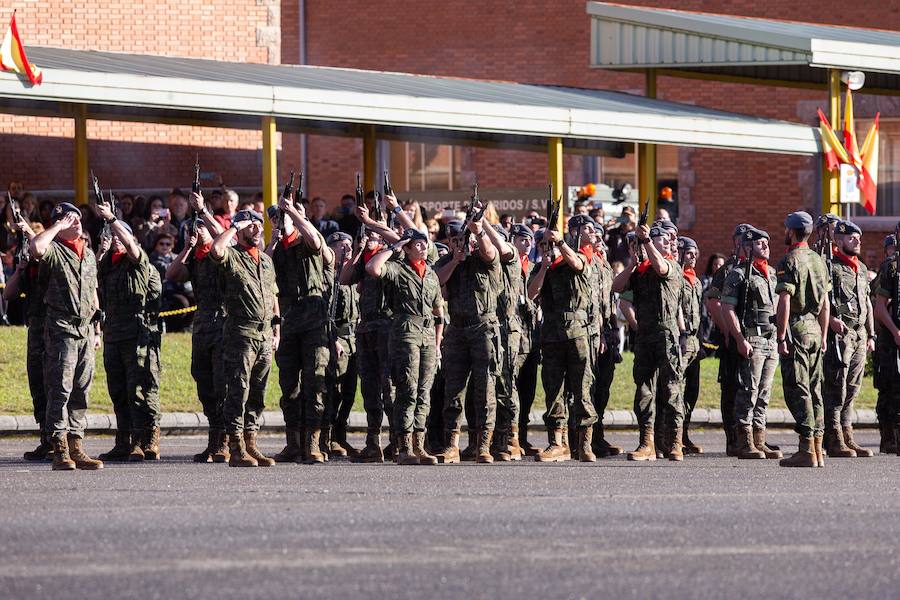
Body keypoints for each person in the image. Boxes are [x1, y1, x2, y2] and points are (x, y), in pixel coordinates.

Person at [29, 203, 104, 471]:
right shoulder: (54, 250)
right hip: (61, 328)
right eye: (70, 220)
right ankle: (59, 447)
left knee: (82, 390)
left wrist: (97, 331)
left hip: (85, 330)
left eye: (78, 219)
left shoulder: (89, 253)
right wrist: (59, 225)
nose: (77, 223)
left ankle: (76, 445)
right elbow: (36, 247)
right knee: (60, 389)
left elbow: (92, 292)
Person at [366, 228, 445, 465]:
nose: (423, 247)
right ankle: (404, 447)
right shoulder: (397, 269)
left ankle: (420, 446)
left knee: (424, 392)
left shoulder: (430, 274)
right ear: (408, 249)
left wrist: (438, 343)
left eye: (425, 244)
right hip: (406, 333)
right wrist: (395, 246)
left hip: (428, 336)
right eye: (417, 244)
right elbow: (373, 268)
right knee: (407, 390)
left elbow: (438, 311)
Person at [210, 209, 280, 467]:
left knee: (258, 392)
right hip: (241, 333)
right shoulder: (232, 255)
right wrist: (233, 226)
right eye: (251, 225)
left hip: (264, 334)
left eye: (259, 225)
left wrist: (277, 331)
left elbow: (273, 295)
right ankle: (236, 446)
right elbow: (216, 250)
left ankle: (251, 443)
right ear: (239, 230)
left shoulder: (266, 260)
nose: (257, 229)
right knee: (238, 390)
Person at [95, 203, 163, 462]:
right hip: (114, 335)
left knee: (140, 390)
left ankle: (144, 440)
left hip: (137, 336)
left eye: (119, 235)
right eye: (111, 235)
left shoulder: (137, 260)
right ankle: (123, 442)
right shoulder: (108, 264)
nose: (115, 239)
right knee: (119, 391)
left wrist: (113, 219)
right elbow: (92, 277)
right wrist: (101, 251)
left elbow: (132, 248)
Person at [527, 222, 598, 462]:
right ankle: (557, 443)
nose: (549, 248)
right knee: (554, 389)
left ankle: (585, 443)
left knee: (582, 389)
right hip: (551, 336)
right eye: (544, 245)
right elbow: (531, 293)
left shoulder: (575, 258)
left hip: (577, 334)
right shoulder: (541, 268)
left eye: (551, 244)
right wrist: (544, 268)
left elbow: (577, 264)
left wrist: (559, 241)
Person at [612, 223, 683, 462]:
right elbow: (616, 286)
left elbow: (661, 268)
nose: (667, 242)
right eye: (660, 239)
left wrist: (646, 241)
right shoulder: (640, 270)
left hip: (666, 335)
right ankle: (647, 442)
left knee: (671, 388)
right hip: (644, 336)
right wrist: (632, 264)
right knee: (644, 389)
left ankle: (675, 441)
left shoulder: (672, 264)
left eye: (665, 239)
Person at [434, 213, 501, 464]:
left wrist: (479, 231)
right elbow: (435, 284)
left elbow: (491, 253)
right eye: (454, 240)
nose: (458, 243)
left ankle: (483, 445)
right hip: (457, 330)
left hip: (483, 328)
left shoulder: (481, 258)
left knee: (485, 389)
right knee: (453, 389)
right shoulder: (444, 262)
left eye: (462, 238)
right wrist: (454, 261)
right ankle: (452, 445)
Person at [166, 192, 228, 462]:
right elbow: (172, 274)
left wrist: (203, 213)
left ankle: (225, 440)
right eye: (194, 229)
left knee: (223, 383)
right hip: (202, 327)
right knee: (204, 382)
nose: (198, 231)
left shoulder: (224, 254)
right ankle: (214, 438)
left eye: (201, 228)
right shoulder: (195, 258)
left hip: (223, 325)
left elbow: (225, 237)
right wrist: (187, 248)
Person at [274, 194, 334, 464]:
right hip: (288, 321)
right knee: (289, 385)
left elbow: (316, 241)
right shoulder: (277, 248)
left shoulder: (307, 241)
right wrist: (275, 236)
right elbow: (264, 266)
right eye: (279, 217)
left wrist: (297, 215)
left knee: (314, 383)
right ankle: (293, 443)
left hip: (313, 320)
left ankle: (313, 443)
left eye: (285, 217)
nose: (283, 220)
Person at [719, 227, 782, 460]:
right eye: (759, 243)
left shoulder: (772, 274)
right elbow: (727, 308)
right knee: (749, 390)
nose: (765, 246)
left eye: (766, 242)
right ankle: (744, 442)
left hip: (771, 339)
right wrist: (740, 338)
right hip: (752, 338)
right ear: (747, 247)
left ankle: (759, 439)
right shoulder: (738, 274)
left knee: (764, 392)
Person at [775, 211, 830, 468]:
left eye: (786, 229)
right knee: (816, 388)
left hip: (797, 328)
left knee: (798, 389)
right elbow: (826, 304)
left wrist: (781, 336)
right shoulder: (819, 261)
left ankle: (806, 448)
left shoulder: (788, 260)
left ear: (791, 231)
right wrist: (824, 334)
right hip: (816, 328)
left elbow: (785, 300)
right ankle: (818, 448)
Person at [822, 220, 874, 458]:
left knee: (853, 386)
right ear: (839, 240)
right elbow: (821, 299)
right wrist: (831, 320)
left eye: (858, 238)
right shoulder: (829, 266)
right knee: (837, 386)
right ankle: (833, 437)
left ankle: (846, 433)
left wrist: (870, 334)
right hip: (840, 334)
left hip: (859, 334)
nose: (857, 241)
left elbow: (867, 303)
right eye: (852, 238)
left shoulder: (860, 268)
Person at [3, 214, 50, 459]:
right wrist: (20, 269)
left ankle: (60, 440)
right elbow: (8, 294)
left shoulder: (55, 259)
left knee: (55, 387)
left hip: (56, 332)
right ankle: (46, 438)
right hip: (36, 333)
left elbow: (46, 252)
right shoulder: (29, 267)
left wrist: (30, 233)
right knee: (38, 387)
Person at [704, 224, 752, 456]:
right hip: (732, 339)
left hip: (754, 339)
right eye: (743, 240)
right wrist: (728, 331)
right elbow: (713, 303)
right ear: (736, 242)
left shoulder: (756, 267)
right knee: (732, 387)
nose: (747, 244)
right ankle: (733, 439)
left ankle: (752, 438)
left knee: (752, 387)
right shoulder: (727, 270)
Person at [481, 223, 525, 461]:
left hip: (507, 330)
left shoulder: (510, 257)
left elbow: (501, 247)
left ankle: (510, 438)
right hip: (487, 329)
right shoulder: (485, 262)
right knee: (489, 384)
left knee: (506, 384)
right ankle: (490, 440)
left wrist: (484, 225)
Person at [324, 231, 360, 458]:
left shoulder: (354, 275)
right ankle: (328, 438)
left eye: (349, 245)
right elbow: (325, 312)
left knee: (349, 391)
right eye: (341, 246)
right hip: (336, 337)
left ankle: (340, 435)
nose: (346, 249)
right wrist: (333, 339)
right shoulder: (328, 276)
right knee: (334, 390)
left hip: (355, 339)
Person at [677, 236, 705, 455]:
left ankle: (684, 433)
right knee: (675, 389)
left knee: (691, 391)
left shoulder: (696, 281)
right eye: (689, 253)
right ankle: (671, 435)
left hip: (694, 340)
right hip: (681, 338)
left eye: (695, 253)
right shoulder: (676, 278)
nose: (693, 257)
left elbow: (699, 314)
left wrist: (701, 342)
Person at [873, 234, 897, 453]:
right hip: (889, 338)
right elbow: (879, 307)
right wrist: (895, 332)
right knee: (889, 387)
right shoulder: (889, 268)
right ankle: (889, 436)